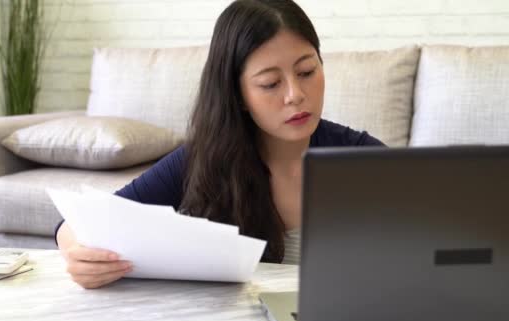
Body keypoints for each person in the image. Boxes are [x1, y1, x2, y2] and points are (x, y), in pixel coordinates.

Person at [56, 0, 385, 289]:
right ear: (238, 95)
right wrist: (77, 252)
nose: (295, 95)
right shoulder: (205, 158)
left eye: (307, 71)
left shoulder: (361, 157)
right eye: (270, 83)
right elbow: (84, 222)